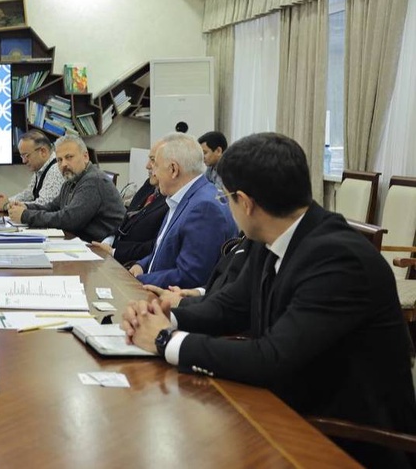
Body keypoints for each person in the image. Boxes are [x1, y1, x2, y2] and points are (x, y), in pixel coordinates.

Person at [121, 132, 416, 468]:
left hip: (346, 441)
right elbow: (232, 306)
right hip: (289, 409)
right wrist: (166, 316)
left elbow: (271, 357)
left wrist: (165, 340)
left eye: (226, 198)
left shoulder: (338, 259)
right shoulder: (272, 233)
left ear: (245, 202)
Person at [129, 133, 236, 289]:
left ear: (173, 169)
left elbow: (190, 277)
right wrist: (141, 265)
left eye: (156, 165)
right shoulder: (183, 196)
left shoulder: (204, 208)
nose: (154, 172)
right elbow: (165, 252)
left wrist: (137, 281)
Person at [6, 135, 124, 242]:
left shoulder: (93, 180)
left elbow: (69, 220)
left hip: (103, 249)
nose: (63, 164)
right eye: (59, 160)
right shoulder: (71, 180)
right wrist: (25, 207)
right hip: (83, 242)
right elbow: (52, 207)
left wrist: (25, 215)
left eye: (69, 157)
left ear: (85, 156)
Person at [92, 143, 169, 266]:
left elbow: (155, 246)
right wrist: (108, 241)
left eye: (153, 160)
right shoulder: (150, 185)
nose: (147, 166)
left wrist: (114, 252)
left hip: (132, 263)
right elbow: (126, 218)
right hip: (111, 252)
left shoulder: (171, 200)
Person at [0, 130, 64, 212]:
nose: (24, 161)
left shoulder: (56, 169)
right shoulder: (41, 169)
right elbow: (29, 194)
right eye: (22, 156)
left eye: (26, 156)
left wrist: (6, 206)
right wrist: (6, 201)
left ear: (43, 151)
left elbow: (43, 205)